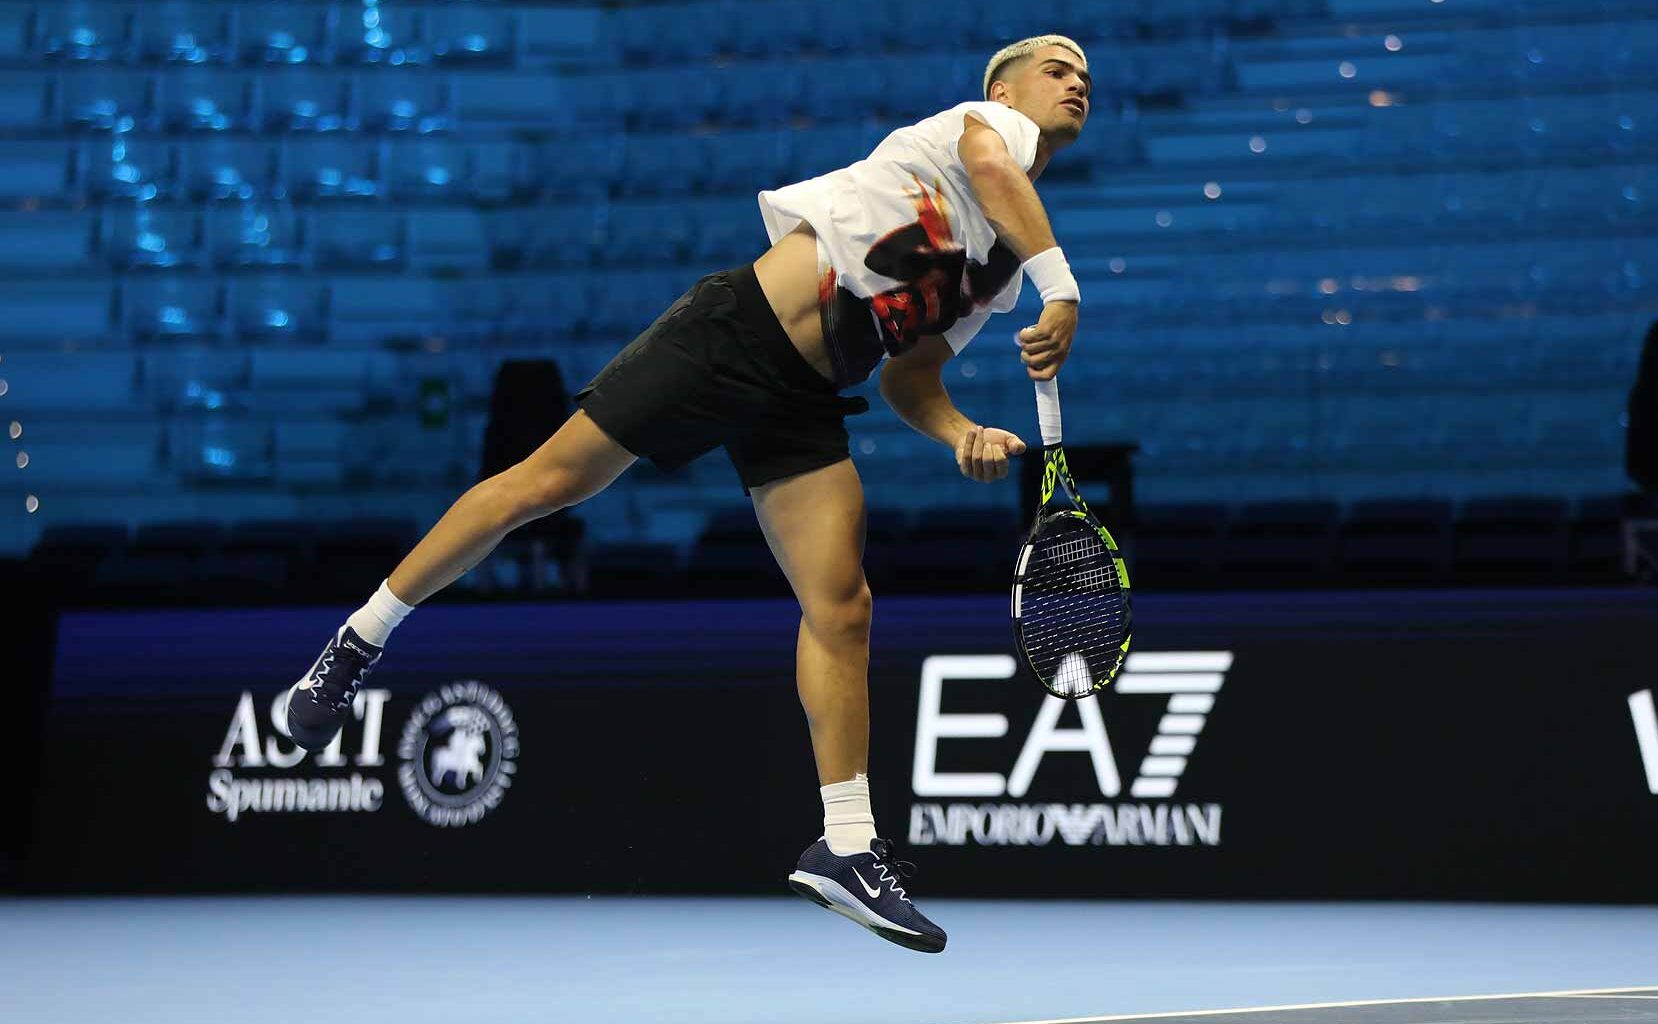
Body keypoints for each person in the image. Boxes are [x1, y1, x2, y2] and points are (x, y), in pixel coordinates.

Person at [284, 34, 1092, 954]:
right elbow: (994, 166)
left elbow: (912, 377)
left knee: (844, 606)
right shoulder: (981, 133)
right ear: (1002, 87)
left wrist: (962, 434)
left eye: (1086, 80)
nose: (1077, 87)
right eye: (1057, 71)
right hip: (733, 334)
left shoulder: (994, 263)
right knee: (542, 486)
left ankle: (847, 846)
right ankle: (355, 644)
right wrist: (1060, 288)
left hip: (806, 397)